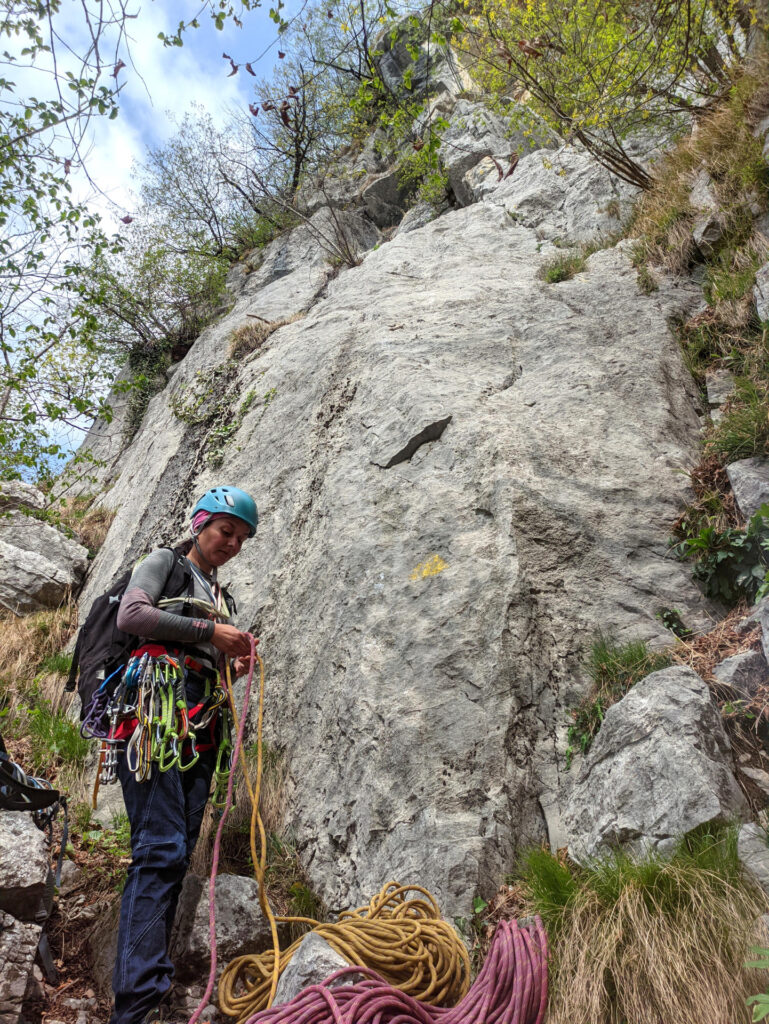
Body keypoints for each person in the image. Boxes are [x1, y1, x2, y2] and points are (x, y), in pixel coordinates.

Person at [108, 486, 258, 1024]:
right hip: (154, 716)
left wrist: (229, 666)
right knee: (160, 850)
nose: (232, 543)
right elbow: (133, 615)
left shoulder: (220, 595)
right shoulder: (164, 563)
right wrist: (208, 631)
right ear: (201, 524)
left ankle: (147, 986)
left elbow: (201, 653)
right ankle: (136, 1006)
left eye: (240, 538)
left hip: (199, 725)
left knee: (176, 853)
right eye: (225, 531)